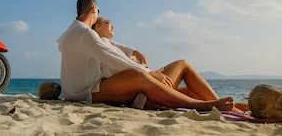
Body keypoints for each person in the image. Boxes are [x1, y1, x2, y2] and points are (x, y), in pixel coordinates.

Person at [57, 0, 239, 111]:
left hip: (81, 92)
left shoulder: (72, 33)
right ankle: (205, 105)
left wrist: (135, 54)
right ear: (94, 10)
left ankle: (231, 106)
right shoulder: (85, 33)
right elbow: (110, 58)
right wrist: (149, 72)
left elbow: (112, 47)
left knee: (186, 89)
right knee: (140, 74)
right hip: (88, 93)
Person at [92, 16, 247, 111]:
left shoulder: (109, 45)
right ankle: (227, 107)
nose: (112, 25)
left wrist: (145, 67)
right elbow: (118, 71)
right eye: (107, 22)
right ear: (97, 27)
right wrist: (149, 73)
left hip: (143, 92)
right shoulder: (101, 46)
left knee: (192, 92)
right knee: (182, 64)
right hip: (144, 95)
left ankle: (235, 106)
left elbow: (125, 64)